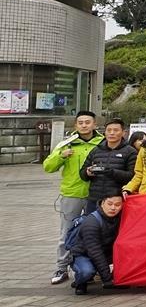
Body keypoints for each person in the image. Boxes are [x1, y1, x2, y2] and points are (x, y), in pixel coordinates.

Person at [43, 110, 105, 285]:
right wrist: (60, 156)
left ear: (94, 124)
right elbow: (48, 167)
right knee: (67, 232)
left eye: (87, 122)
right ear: (76, 125)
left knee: (97, 232)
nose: (84, 125)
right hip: (72, 194)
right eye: (81, 122)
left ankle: (95, 268)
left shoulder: (103, 142)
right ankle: (62, 268)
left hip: (97, 193)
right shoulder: (66, 144)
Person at [68, 194, 123, 295]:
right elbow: (95, 251)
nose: (113, 208)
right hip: (84, 254)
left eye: (117, 205)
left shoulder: (121, 218)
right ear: (102, 203)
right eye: (109, 204)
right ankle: (80, 282)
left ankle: (106, 274)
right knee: (87, 272)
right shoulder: (92, 222)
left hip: (106, 254)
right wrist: (107, 279)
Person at [80, 119, 137, 214]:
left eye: (116, 130)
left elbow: (132, 176)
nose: (112, 133)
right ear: (105, 132)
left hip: (116, 200)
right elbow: (82, 174)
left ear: (123, 132)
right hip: (95, 198)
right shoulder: (96, 150)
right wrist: (88, 172)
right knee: (92, 222)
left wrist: (111, 172)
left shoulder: (131, 152)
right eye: (109, 130)